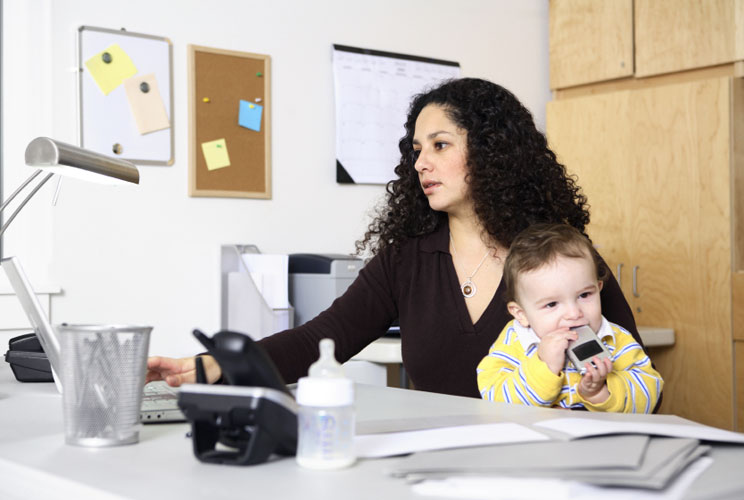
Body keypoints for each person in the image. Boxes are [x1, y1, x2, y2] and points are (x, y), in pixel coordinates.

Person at [147, 77, 650, 399]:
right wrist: (218, 365)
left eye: (440, 145)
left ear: (494, 153)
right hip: (438, 470)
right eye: (416, 149)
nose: (420, 163)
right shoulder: (406, 260)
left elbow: (641, 377)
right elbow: (318, 341)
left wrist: (598, 391)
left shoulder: (559, 259)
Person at [476, 223, 663, 412]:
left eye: (584, 295)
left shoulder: (615, 339)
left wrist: (600, 393)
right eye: (551, 304)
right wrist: (544, 366)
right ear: (521, 314)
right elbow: (494, 398)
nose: (574, 314)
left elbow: (650, 391)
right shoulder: (514, 342)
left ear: (598, 289)